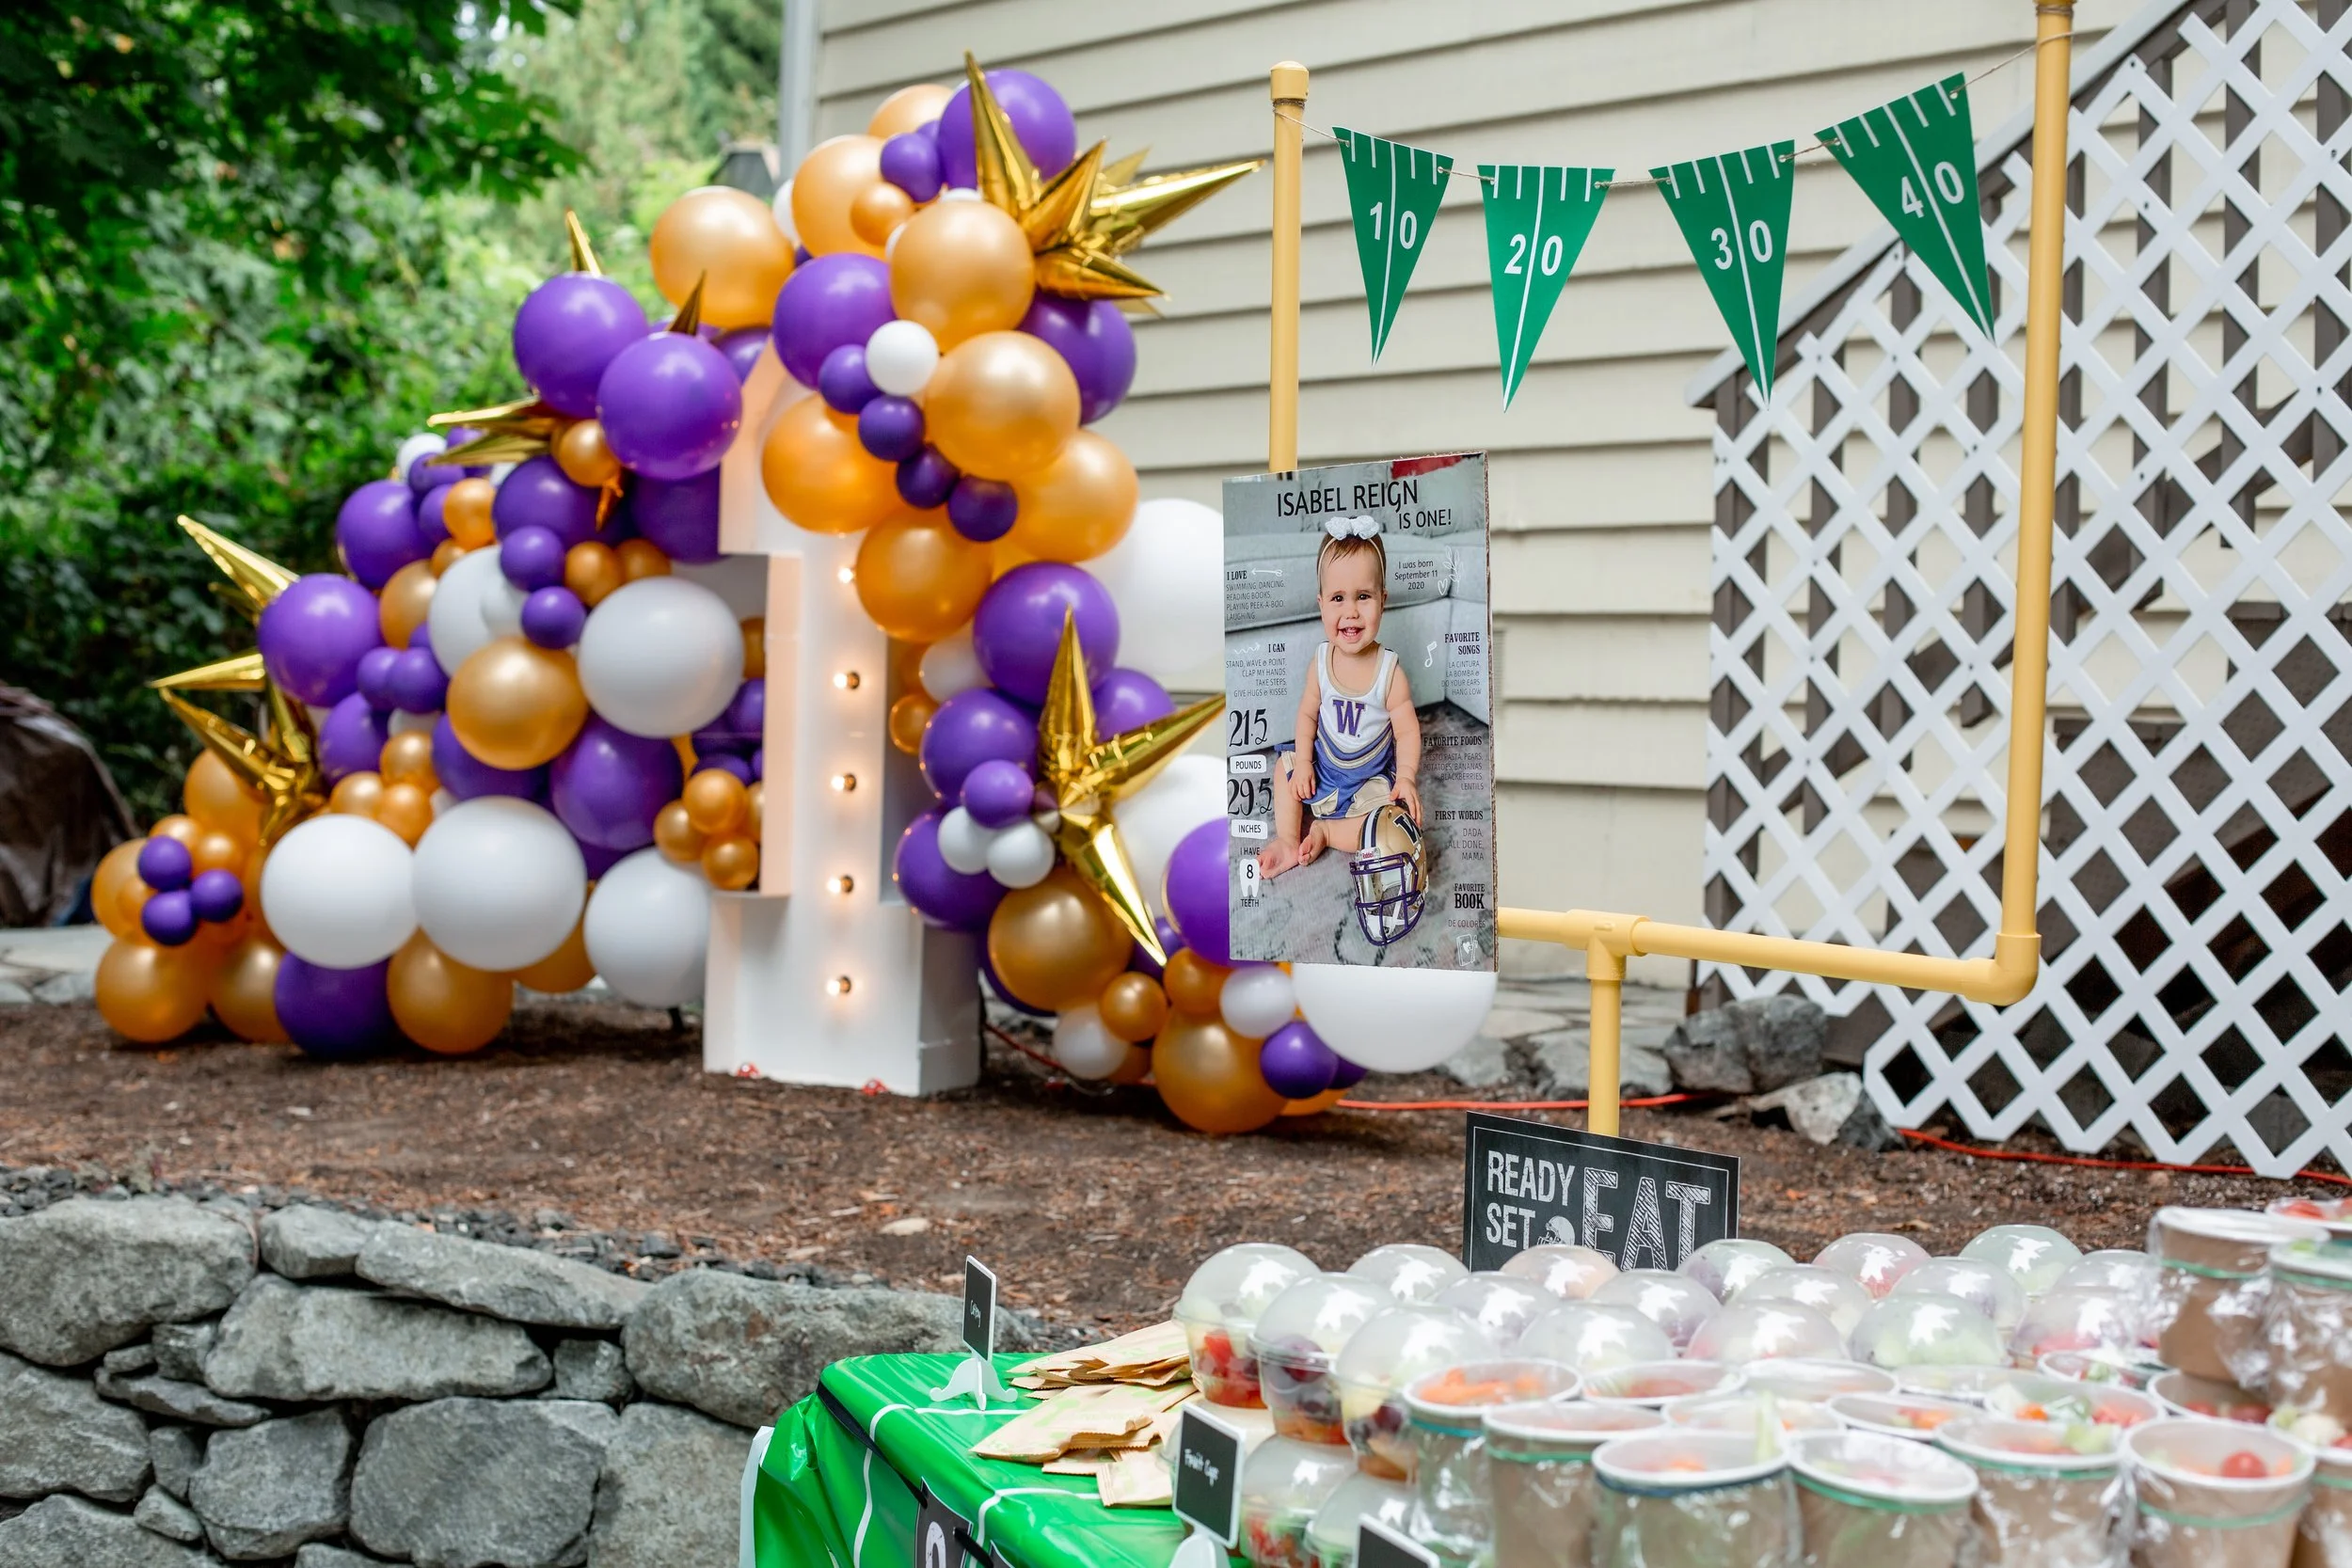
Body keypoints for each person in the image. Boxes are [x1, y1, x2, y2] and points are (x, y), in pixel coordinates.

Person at [1257, 516, 1422, 879]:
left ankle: (1327, 831)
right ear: (1321, 605)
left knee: (1388, 822)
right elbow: (1307, 717)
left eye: (1363, 597)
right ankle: (1287, 839)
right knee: (1282, 769)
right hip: (1323, 763)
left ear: (1383, 600)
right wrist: (1303, 763)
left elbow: (1407, 733)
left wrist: (1406, 776)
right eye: (1337, 598)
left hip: (1367, 778)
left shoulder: (1389, 673)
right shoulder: (1320, 664)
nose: (1350, 611)